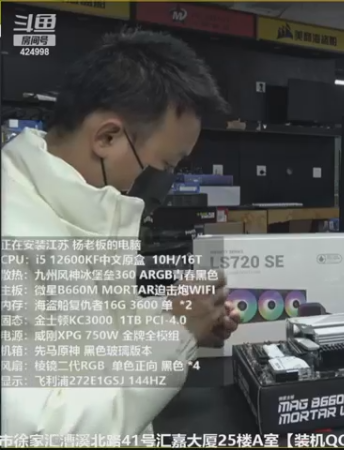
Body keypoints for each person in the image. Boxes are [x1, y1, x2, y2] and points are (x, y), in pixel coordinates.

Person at [1, 30, 238, 438]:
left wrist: (182, 319)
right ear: (107, 138)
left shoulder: (83, 210)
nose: (166, 179)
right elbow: (39, 433)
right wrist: (176, 333)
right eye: (166, 164)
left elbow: (97, 339)